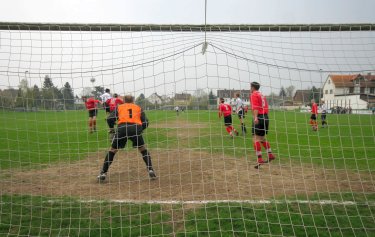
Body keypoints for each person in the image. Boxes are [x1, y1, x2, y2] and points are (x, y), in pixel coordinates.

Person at [97, 95, 156, 181]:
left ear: (124, 100)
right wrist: (141, 129)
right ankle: (150, 169)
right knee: (143, 150)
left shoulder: (119, 107)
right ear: (133, 100)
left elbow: (109, 119)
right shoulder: (138, 107)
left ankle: (103, 173)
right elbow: (146, 122)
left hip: (122, 128)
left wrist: (112, 129)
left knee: (112, 150)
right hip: (135, 129)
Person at [250, 82, 276, 166]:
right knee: (262, 138)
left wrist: (255, 117)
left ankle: (260, 159)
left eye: (250, 87)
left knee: (255, 139)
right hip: (266, 117)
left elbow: (256, 107)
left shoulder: (254, 94)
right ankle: (270, 154)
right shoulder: (262, 95)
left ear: (253, 87)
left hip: (259, 117)